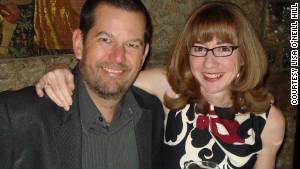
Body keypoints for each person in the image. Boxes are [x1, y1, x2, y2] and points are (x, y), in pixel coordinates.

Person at [35, 1, 286, 169]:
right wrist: (61, 71)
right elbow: (108, 75)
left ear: (244, 56)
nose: (210, 63)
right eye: (199, 49)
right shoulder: (172, 88)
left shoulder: (269, 122)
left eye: (223, 49)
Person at [0, 0, 165, 169]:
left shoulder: (153, 112)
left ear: (143, 55)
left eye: (132, 45)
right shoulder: (14, 116)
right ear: (79, 44)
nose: (118, 57)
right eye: (106, 39)